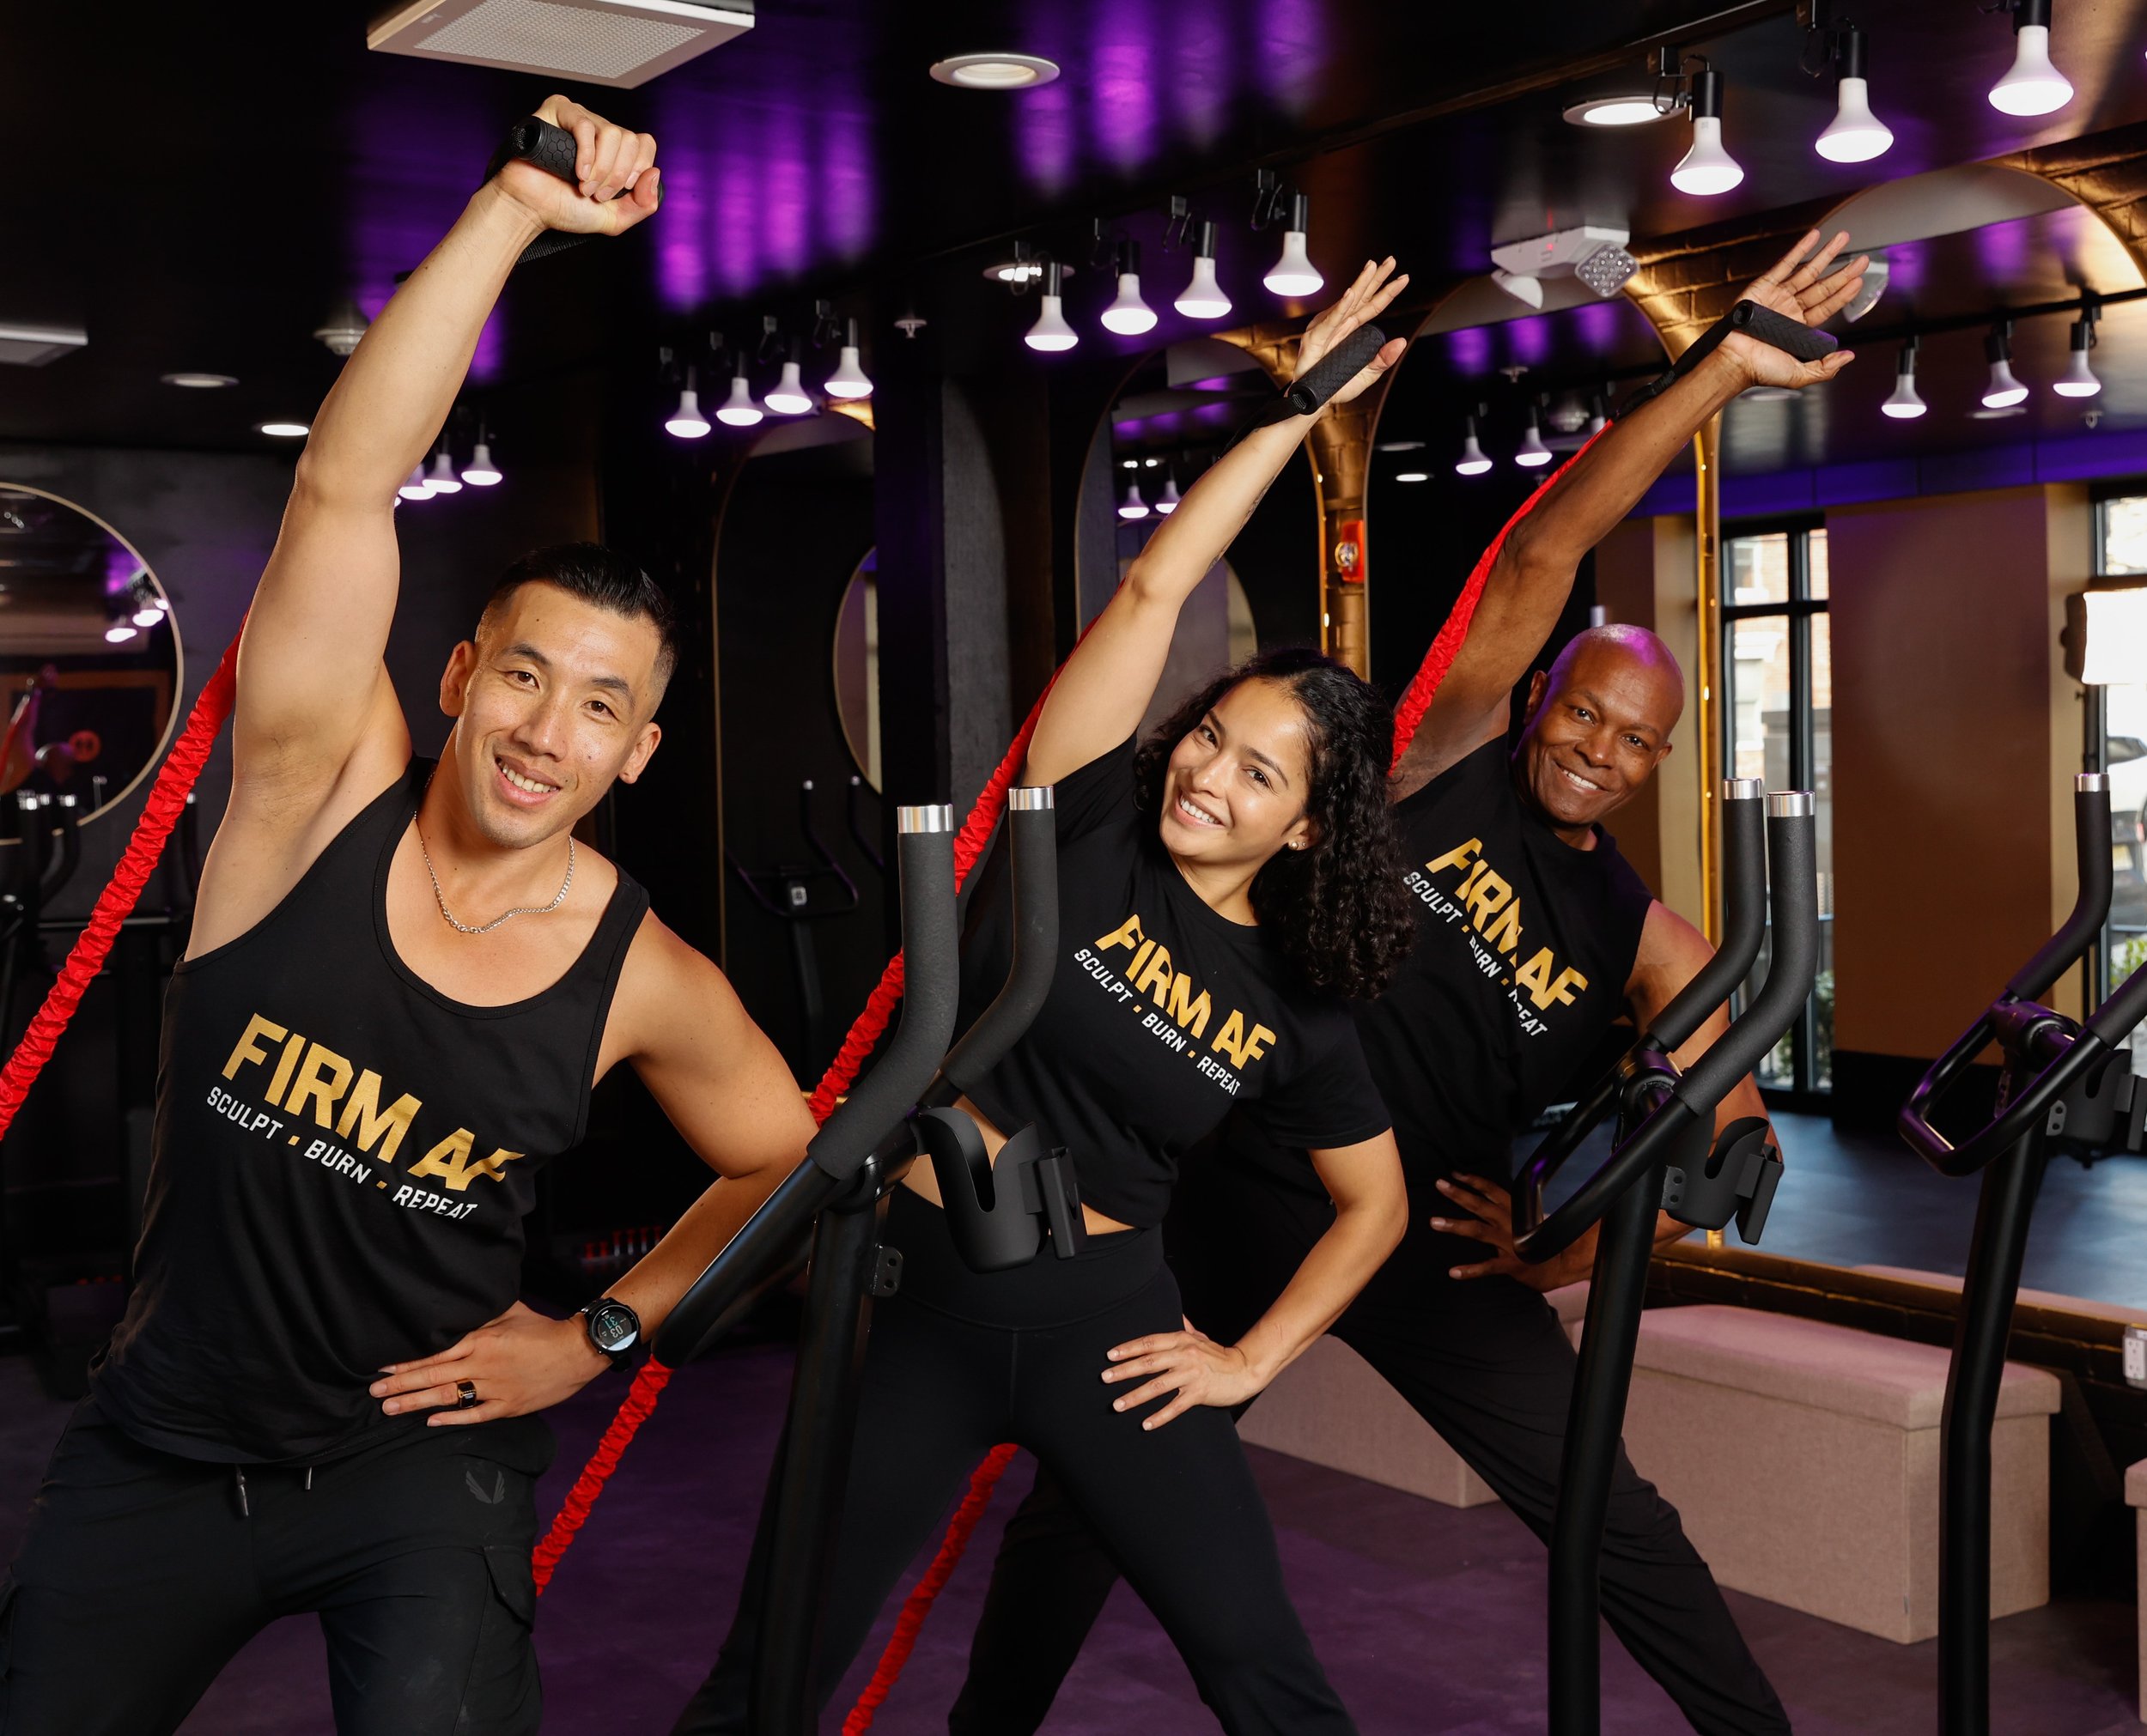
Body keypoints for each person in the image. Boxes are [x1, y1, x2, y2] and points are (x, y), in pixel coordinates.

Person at [951, 230, 1869, 1736]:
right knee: (1098, 1479)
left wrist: (1562, 1245)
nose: (1600, 748)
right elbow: (1542, 549)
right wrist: (1711, 379)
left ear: (1659, 759)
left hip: (1428, 1233)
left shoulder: (1642, 930)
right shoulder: (1431, 765)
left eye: (1638, 739)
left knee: (1606, 1506)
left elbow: (1723, 1127)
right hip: (1257, 1172)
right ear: (1547, 694)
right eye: (1587, 711)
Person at [0, 98, 818, 1736]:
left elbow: (781, 1152)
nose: (543, 730)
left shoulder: (640, 970)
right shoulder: (315, 793)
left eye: (598, 707)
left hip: (418, 1477)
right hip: (161, 1449)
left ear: (637, 754)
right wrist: (514, 212)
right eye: (521, 674)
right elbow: (345, 492)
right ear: (458, 677)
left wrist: (598, 1332)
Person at [674, 263, 1420, 1736]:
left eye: (1260, 774)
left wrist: (1250, 1356)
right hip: (928, 1294)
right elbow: (1151, 588)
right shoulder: (1077, 827)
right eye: (1213, 735)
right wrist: (1292, 414)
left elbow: (1376, 1207)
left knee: (1266, 1675)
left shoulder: (1298, 1002)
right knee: (772, 1673)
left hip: (1108, 1328)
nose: (1210, 773)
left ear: (1313, 829)